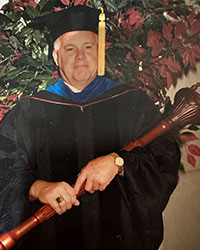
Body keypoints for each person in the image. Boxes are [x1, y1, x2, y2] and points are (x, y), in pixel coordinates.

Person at [0, 5, 180, 250]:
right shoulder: (29, 111)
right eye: (70, 49)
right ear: (56, 56)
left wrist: (119, 163)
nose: (80, 57)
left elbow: (165, 155)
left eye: (88, 47)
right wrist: (37, 188)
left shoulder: (131, 102)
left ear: (100, 52)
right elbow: (4, 167)